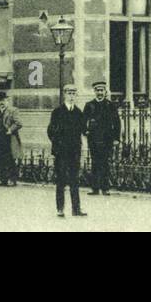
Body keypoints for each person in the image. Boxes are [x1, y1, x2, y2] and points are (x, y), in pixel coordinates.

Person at [47, 84, 88, 218]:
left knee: (74, 180)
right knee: (61, 180)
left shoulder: (78, 112)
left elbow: (83, 130)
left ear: (76, 96)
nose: (71, 96)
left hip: (74, 151)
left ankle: (76, 209)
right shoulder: (57, 112)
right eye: (69, 93)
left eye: (73, 94)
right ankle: (60, 208)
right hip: (61, 152)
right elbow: (51, 131)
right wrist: (57, 145)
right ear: (64, 94)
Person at [82, 80, 119, 196]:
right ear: (94, 91)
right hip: (93, 139)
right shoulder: (89, 105)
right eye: (97, 90)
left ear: (105, 91)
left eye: (102, 90)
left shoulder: (110, 105)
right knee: (95, 163)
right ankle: (95, 188)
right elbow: (83, 121)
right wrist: (85, 131)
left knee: (105, 163)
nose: (100, 93)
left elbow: (117, 122)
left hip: (107, 139)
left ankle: (105, 188)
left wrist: (116, 138)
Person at [0, 90, 22, 187]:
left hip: (8, 139)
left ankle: (12, 180)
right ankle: (3, 180)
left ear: (8, 100)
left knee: (9, 160)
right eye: (0, 100)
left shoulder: (13, 110)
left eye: (4, 99)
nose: (2, 102)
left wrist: (11, 130)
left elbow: (19, 123)